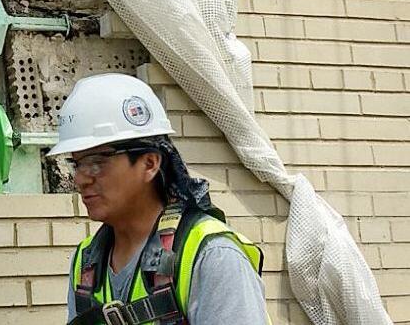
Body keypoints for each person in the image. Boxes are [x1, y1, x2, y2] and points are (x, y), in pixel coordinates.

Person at [47, 73, 268, 325]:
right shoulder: (86, 263)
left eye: (96, 162)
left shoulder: (212, 256)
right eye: (77, 164)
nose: (81, 179)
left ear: (150, 163)